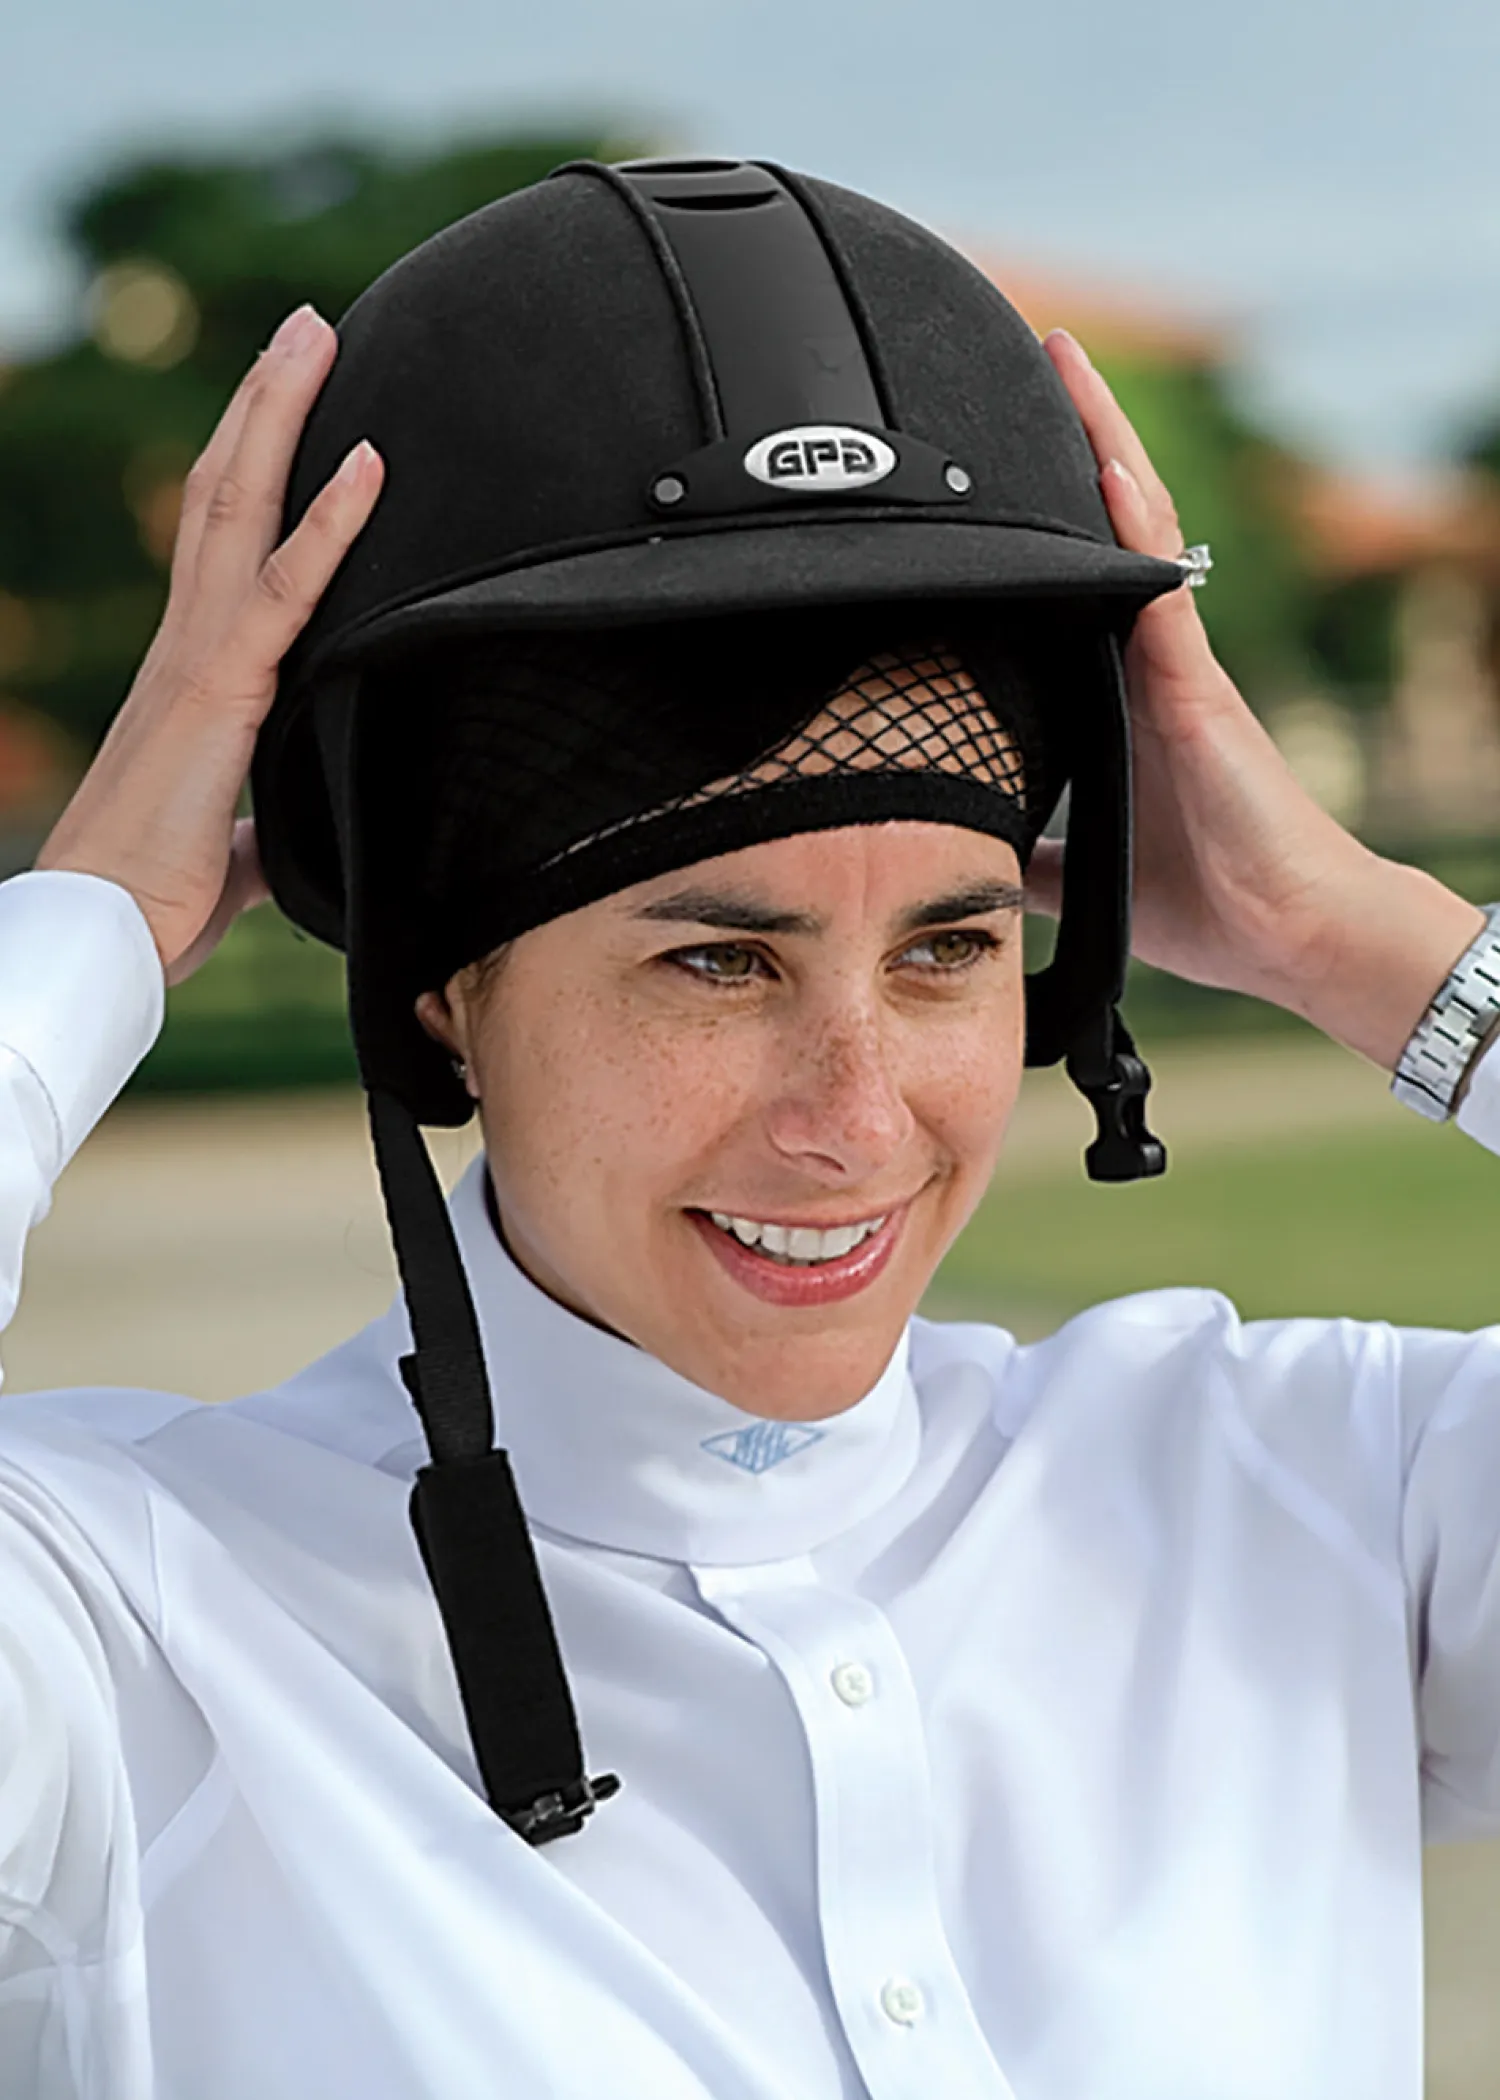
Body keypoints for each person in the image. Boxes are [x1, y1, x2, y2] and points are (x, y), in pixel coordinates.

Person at [1, 156, 1497, 2100]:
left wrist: (1356, 938)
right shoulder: (112, 1633)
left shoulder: (1316, 1494)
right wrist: (94, 919)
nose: (856, 1119)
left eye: (950, 948)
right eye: (719, 962)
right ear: (443, 981)